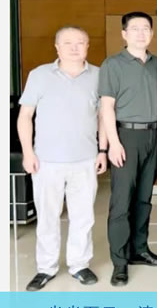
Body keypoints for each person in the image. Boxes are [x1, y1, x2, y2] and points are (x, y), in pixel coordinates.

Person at [18, 26, 107, 290]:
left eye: (80, 42)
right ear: (57, 47)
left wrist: (102, 150)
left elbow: (103, 116)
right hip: (46, 161)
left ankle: (79, 265)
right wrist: (28, 152)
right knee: (48, 216)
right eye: (67, 43)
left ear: (88, 46)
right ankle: (46, 268)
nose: (74, 47)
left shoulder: (99, 76)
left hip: (85, 159)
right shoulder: (39, 75)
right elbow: (25, 116)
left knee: (83, 216)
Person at [99, 11, 157, 286]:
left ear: (151, 33)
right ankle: (119, 262)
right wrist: (113, 143)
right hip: (126, 136)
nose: (141, 33)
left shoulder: (156, 63)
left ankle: (139, 250)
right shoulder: (112, 64)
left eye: (146, 28)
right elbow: (106, 107)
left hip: (154, 135)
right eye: (135, 28)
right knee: (122, 202)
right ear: (124, 34)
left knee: (144, 198)